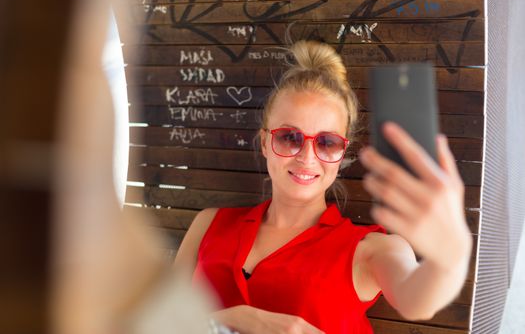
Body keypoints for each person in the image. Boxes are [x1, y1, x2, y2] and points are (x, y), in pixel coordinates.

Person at [174, 40, 472, 334]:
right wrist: (237, 319)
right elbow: (153, 321)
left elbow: (417, 301)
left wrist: (451, 256)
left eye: (327, 143)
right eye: (289, 137)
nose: (307, 157)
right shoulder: (209, 223)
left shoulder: (369, 250)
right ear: (265, 141)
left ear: (343, 152)